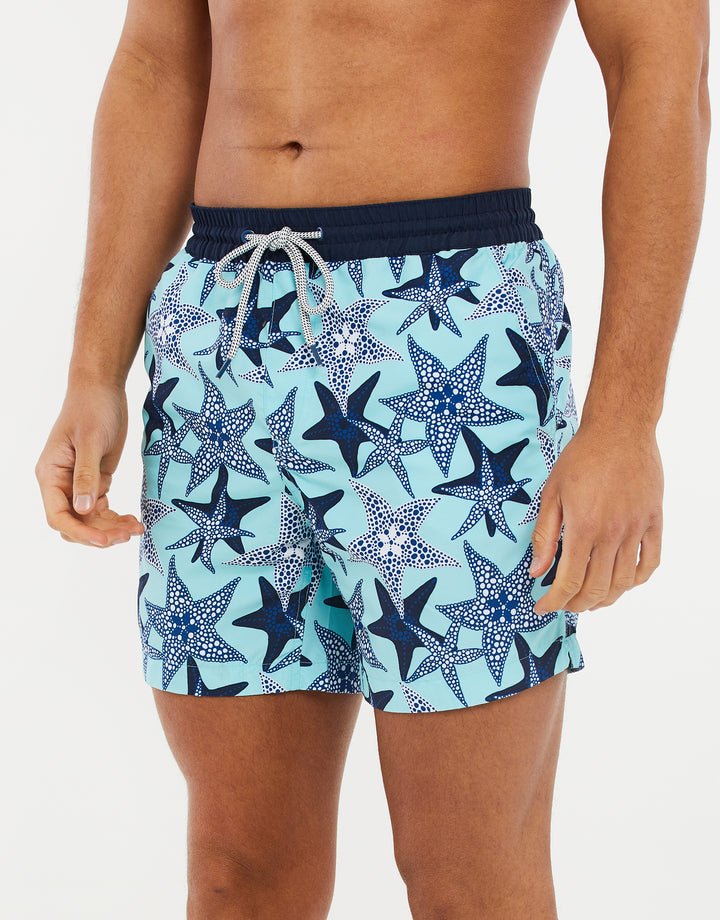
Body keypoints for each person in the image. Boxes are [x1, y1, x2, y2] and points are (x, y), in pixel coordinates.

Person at [35, 0, 710, 917]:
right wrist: (93, 369)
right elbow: (158, 64)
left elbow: (660, 66)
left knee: (467, 879)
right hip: (219, 332)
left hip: (443, 328)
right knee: (236, 875)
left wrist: (627, 419)